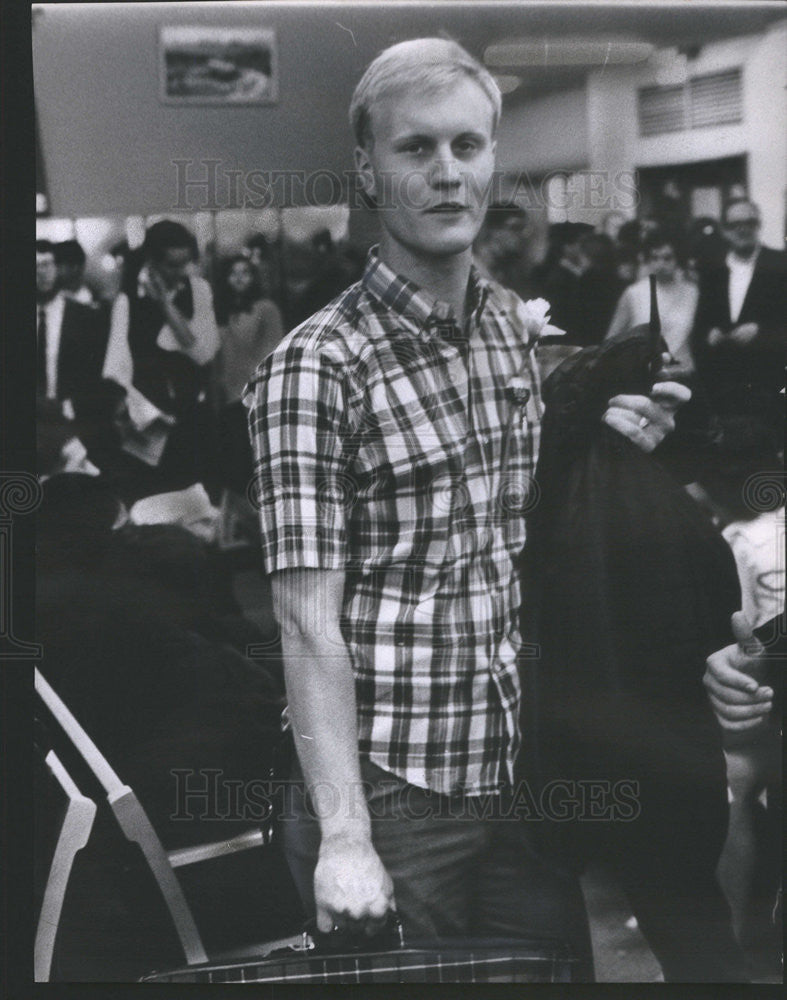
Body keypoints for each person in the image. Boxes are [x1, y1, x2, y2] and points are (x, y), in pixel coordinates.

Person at [244, 37, 690, 979]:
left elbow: (514, 522)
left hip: (516, 778)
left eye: (467, 146)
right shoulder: (315, 369)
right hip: (392, 800)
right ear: (366, 170)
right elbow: (304, 626)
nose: (447, 174)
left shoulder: (502, 328)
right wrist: (345, 838)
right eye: (414, 150)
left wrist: (610, 428)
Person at [102, 219, 220, 495]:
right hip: (148, 421)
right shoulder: (127, 300)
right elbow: (117, 363)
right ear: (152, 262)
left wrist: (165, 304)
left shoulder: (199, 290)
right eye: (173, 265)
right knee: (154, 495)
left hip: (193, 415)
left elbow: (202, 353)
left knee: (198, 494)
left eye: (187, 263)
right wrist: (128, 407)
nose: (182, 272)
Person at [690, 198, 787, 433]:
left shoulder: (780, 264)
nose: (743, 229)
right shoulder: (711, 270)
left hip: (769, 388)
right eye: (735, 224)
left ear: (759, 225)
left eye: (749, 222)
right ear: (725, 230)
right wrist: (708, 334)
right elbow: (698, 329)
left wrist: (761, 333)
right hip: (723, 391)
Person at [213, 255, 285, 496]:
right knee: (234, 465)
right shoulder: (219, 311)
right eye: (234, 272)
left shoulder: (267, 308)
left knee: (260, 461)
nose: (240, 277)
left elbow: (275, 351)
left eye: (246, 272)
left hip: (259, 394)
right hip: (229, 396)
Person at [36, 239, 109, 463]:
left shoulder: (88, 317)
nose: (42, 272)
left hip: (76, 422)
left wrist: (69, 407)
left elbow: (102, 377)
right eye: (35, 265)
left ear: (59, 267)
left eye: (48, 264)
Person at [606, 228, 698, 380]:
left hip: (683, 375)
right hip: (643, 376)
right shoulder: (634, 293)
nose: (660, 264)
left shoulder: (692, 293)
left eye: (667, 258)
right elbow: (611, 340)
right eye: (655, 258)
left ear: (678, 258)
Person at [54, 239, 96, 306]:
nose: (54, 270)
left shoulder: (92, 300)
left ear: (74, 268)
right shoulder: (50, 298)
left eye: (59, 265)